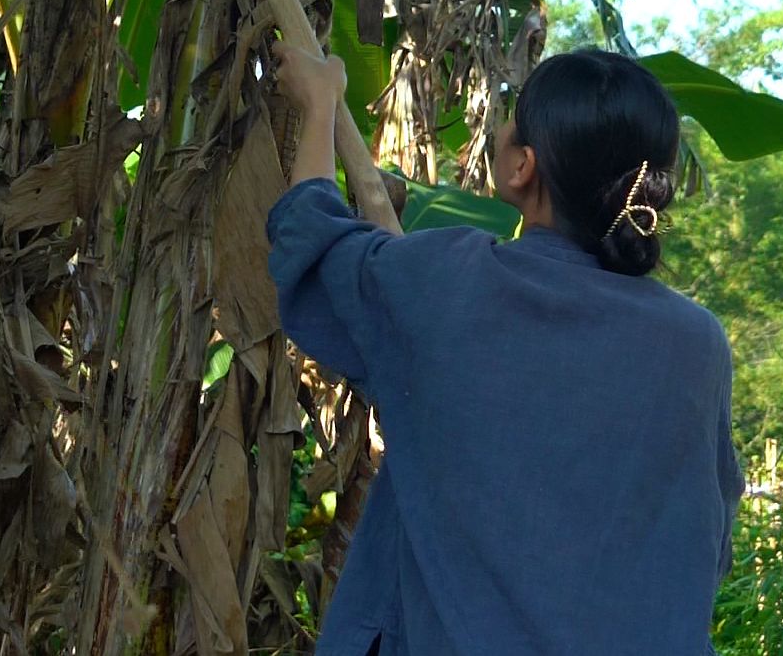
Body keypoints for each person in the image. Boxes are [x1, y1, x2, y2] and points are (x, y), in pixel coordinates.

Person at [268, 44, 743, 656]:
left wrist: (319, 104)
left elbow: (310, 239)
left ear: (523, 166)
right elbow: (710, 537)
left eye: (510, 116)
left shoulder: (447, 281)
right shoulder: (696, 341)